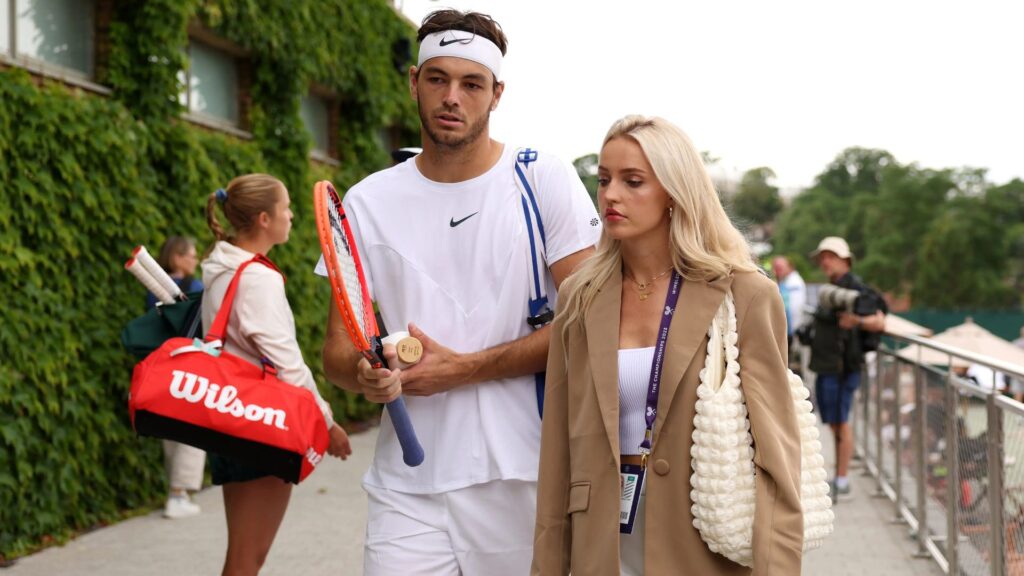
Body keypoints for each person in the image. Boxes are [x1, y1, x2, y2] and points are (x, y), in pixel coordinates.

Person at [320, 10, 600, 576]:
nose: (452, 97)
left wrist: (466, 368)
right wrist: (368, 375)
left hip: (526, 475)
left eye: (471, 83)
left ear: (497, 94)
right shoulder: (366, 201)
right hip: (408, 482)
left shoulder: (541, 176)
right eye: (437, 78)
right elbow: (336, 357)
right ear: (412, 82)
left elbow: (594, 322)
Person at [531, 115, 803, 575]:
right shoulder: (579, 296)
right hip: (601, 546)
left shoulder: (744, 294)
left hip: (703, 545)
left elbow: (777, 459)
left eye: (632, 181)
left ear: (675, 193)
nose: (611, 195)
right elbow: (557, 450)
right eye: (603, 179)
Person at [202, 174, 352, 575]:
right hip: (259, 425)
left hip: (228, 421)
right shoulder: (256, 277)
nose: (292, 215)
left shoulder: (220, 267)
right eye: (286, 208)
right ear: (265, 219)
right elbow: (287, 363)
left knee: (241, 554)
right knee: (248, 559)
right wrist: (328, 422)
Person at [807, 236, 887, 502]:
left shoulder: (859, 290)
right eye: (823, 257)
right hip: (826, 364)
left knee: (841, 422)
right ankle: (839, 476)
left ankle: (842, 478)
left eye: (830, 256)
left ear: (845, 260)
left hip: (845, 366)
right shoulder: (831, 289)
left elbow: (880, 321)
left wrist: (857, 321)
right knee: (833, 422)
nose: (825, 262)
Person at [145, 236, 206, 519]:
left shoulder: (151, 290)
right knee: (193, 428)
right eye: (191, 256)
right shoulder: (193, 288)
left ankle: (175, 491)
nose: (194, 261)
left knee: (171, 427)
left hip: (161, 365)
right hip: (190, 363)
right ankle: (179, 495)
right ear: (178, 257)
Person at [771, 256, 806, 345]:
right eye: (776, 268)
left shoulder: (794, 282)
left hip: (789, 329)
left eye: (780, 268)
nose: (777, 270)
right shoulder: (784, 281)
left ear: (790, 267)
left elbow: (795, 308)